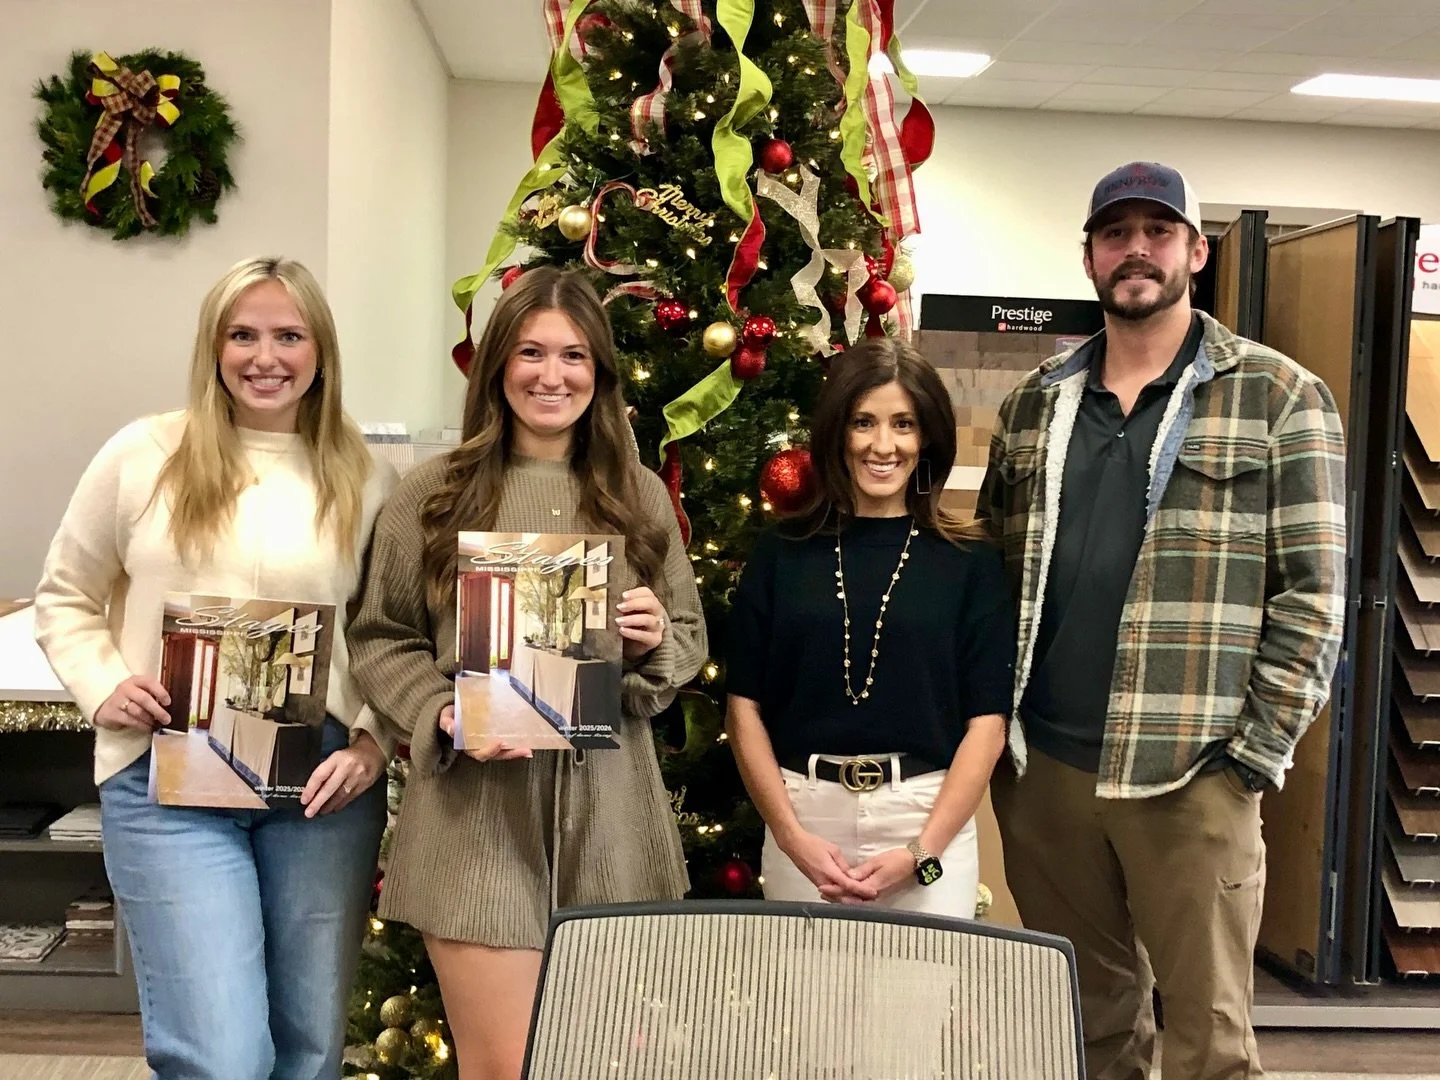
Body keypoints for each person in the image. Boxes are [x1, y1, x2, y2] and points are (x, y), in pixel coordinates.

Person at [979, 162, 1347, 1080]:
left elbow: (1315, 595)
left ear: (1196, 249)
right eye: (1115, 233)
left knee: (1209, 1042)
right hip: (1046, 773)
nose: (1135, 249)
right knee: (1090, 1025)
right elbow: (993, 566)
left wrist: (1254, 756)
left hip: (1192, 774)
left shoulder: (1279, 397)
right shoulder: (1035, 403)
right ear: (1091, 256)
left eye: (1157, 229)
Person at [33, 256, 399, 1080]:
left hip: (320, 786)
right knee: (222, 1054)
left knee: (308, 1044)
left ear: (320, 351)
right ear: (214, 346)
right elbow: (64, 596)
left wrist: (374, 742)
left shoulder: (363, 472)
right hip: (168, 781)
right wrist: (102, 684)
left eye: (287, 335)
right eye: (242, 335)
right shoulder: (145, 452)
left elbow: (390, 631)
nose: (264, 357)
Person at [345, 266, 705, 1080]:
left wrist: (651, 644)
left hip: (611, 818)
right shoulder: (431, 495)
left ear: (599, 373)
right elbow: (379, 637)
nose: (552, 375)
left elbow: (686, 638)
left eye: (574, 356)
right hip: (477, 819)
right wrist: (441, 712)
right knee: (503, 1069)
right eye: (532, 353)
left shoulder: (638, 496)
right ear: (499, 364)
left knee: (598, 1062)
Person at [725, 337, 1014, 918]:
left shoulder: (970, 562)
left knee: (916, 1008)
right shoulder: (781, 552)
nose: (883, 445)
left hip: (927, 823)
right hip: (805, 819)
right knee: (802, 1007)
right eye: (863, 422)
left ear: (926, 436)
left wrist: (920, 852)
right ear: (837, 432)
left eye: (903, 424)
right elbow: (743, 708)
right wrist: (789, 835)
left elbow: (988, 726)